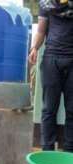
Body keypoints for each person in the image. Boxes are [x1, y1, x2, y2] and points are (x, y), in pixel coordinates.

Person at [28, 0, 73, 152]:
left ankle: (69, 152)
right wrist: (34, 48)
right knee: (49, 108)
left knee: (72, 109)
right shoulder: (45, 4)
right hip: (51, 59)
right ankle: (47, 150)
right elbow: (41, 31)